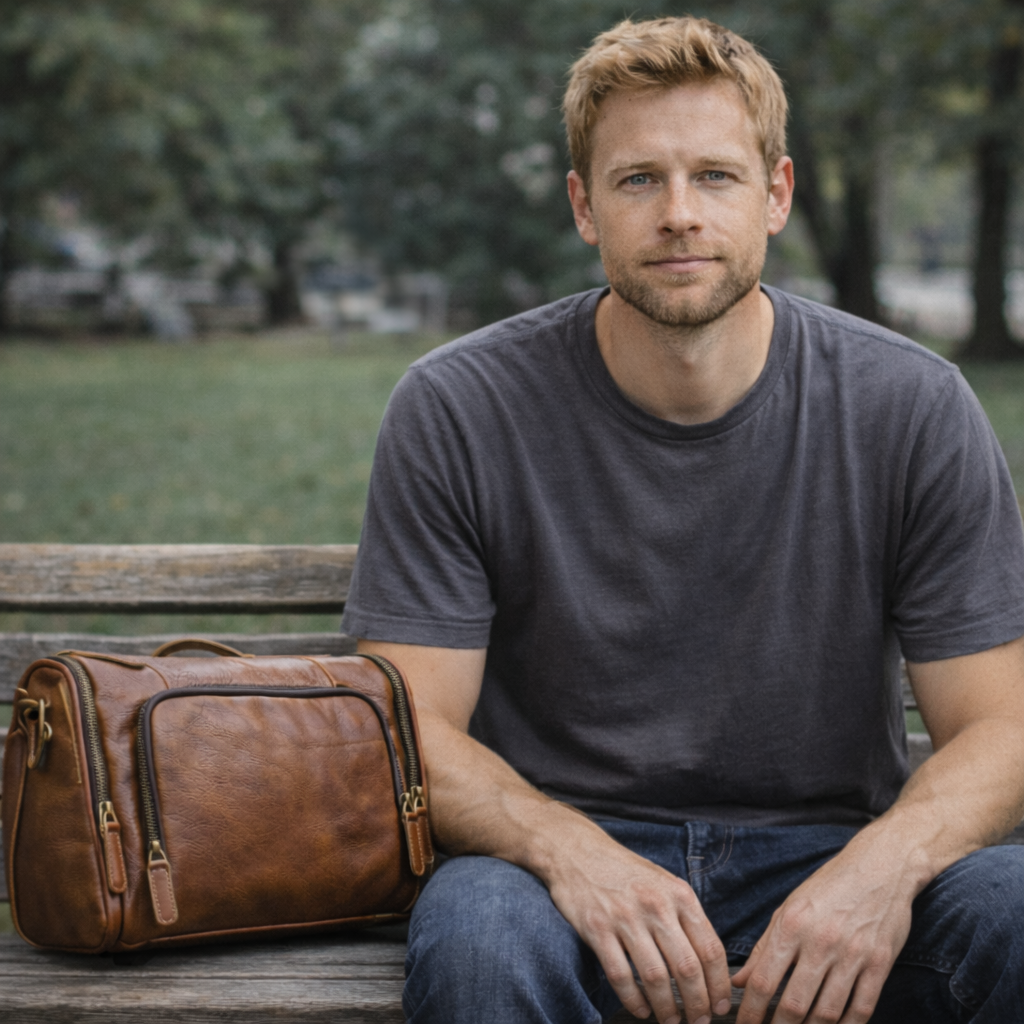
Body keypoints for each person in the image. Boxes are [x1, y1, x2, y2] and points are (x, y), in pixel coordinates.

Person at [342, 16, 1024, 1024]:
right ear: (583, 205)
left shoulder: (909, 405)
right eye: (635, 180)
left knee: (1011, 908)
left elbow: (1001, 727)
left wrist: (883, 868)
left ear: (776, 195)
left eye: (714, 176)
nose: (677, 214)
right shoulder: (460, 406)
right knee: (479, 944)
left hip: (830, 852)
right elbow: (407, 728)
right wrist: (569, 851)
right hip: (555, 869)